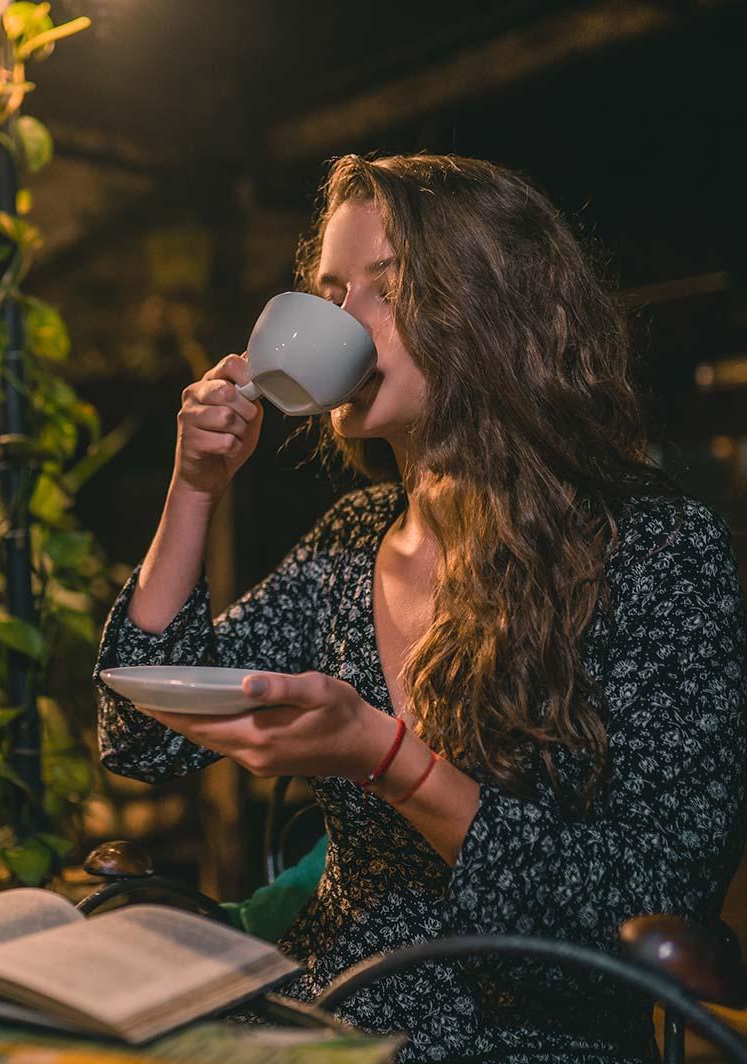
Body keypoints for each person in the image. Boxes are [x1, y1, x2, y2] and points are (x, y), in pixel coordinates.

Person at [92, 154, 747, 1062]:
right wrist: (196, 487)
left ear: (488, 310)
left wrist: (387, 759)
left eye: (382, 290)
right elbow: (139, 734)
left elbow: (653, 910)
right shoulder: (351, 540)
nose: (337, 321)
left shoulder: (655, 550)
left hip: (524, 1040)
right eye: (328, 290)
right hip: (318, 1016)